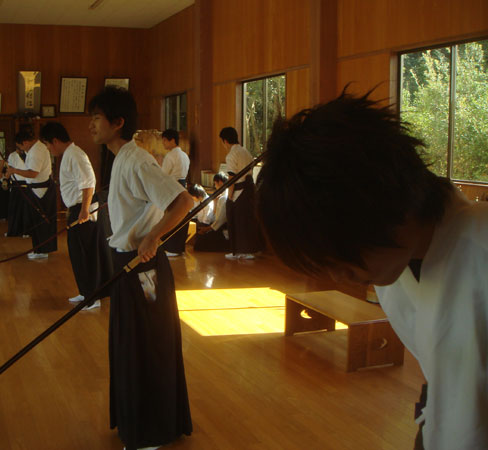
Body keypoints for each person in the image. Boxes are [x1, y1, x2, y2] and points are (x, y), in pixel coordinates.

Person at [255, 90, 488, 450]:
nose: (340, 277)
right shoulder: (393, 267)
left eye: (342, 258)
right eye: (328, 265)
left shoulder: (479, 246)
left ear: (390, 201)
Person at [88, 86, 193, 450]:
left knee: (150, 342)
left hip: (145, 270)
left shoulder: (136, 159)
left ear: (118, 122)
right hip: (126, 263)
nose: (91, 125)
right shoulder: (121, 158)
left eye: (96, 118)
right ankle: (139, 423)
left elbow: (183, 201)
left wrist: (153, 237)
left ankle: (152, 430)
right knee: (132, 343)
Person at [39, 121, 113, 310]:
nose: (48, 148)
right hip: (78, 209)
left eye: (47, 144)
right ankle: (85, 291)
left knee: (88, 254)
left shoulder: (75, 154)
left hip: (84, 211)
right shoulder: (69, 154)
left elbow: (89, 183)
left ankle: (93, 297)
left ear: (55, 141)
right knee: (78, 254)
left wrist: (84, 210)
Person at [7, 129, 57, 259]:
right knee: (37, 221)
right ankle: (39, 249)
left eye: (20, 146)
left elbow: (32, 173)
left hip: (40, 191)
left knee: (41, 221)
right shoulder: (36, 148)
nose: (21, 149)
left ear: (25, 142)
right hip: (38, 189)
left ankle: (42, 251)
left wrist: (14, 171)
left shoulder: (36, 151)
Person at [219, 126, 264, 260]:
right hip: (249, 188)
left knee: (239, 221)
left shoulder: (231, 155)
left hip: (239, 191)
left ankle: (242, 251)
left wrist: (229, 196)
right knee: (247, 220)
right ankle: (248, 249)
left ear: (225, 141)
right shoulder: (245, 151)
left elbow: (232, 177)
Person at [160, 128, 190, 257]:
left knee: (171, 216)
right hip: (182, 186)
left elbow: (164, 175)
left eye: (165, 140)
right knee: (181, 216)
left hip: (173, 187)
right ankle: (179, 247)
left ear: (172, 140)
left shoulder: (171, 155)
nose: (163, 143)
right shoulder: (184, 155)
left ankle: (172, 248)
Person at [193, 172, 230, 252]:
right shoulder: (223, 195)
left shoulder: (223, 197)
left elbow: (220, 220)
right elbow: (217, 216)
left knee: (199, 243)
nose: (215, 186)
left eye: (215, 184)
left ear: (220, 182)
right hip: (218, 226)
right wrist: (215, 203)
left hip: (223, 229)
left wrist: (207, 229)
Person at [4, 144, 28, 238]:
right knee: (15, 208)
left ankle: (27, 231)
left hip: (27, 184)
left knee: (26, 209)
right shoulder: (12, 155)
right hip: (16, 184)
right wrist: (5, 179)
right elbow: (9, 170)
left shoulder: (29, 154)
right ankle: (14, 230)